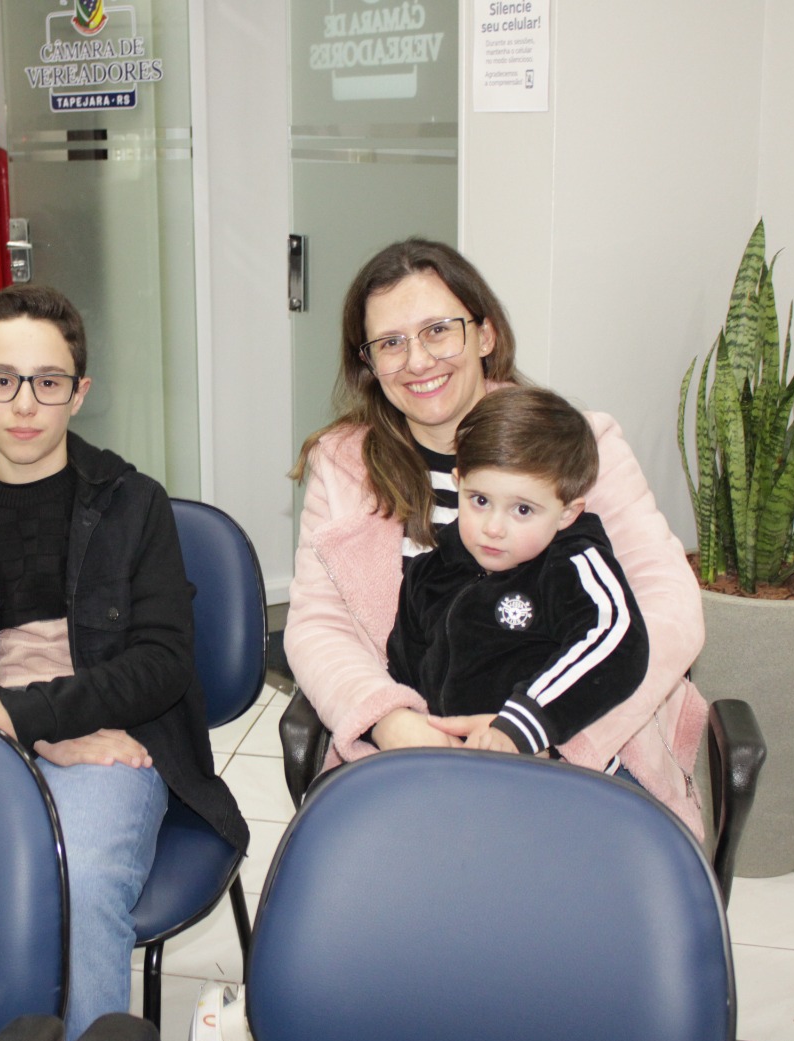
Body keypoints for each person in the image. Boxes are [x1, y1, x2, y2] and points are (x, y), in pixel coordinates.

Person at [0, 284, 248, 1040]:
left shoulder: (133, 504)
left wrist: (29, 717)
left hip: (115, 737)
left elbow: (161, 662)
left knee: (72, 881)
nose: (25, 404)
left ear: (79, 393)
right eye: (3, 380)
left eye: (48, 382)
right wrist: (36, 731)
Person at [285, 237, 707, 830]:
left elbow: (669, 610)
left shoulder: (577, 447)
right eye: (391, 343)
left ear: (484, 335)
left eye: (438, 331)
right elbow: (317, 626)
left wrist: (535, 728)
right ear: (369, 364)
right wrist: (393, 722)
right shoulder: (341, 465)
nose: (417, 361)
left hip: (579, 749)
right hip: (414, 751)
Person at [386, 386, 649, 757]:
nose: (493, 528)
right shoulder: (429, 574)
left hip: (543, 767)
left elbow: (617, 641)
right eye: (480, 500)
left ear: (567, 513)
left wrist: (520, 728)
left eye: (522, 510)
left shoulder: (571, 566)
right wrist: (403, 725)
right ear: (459, 483)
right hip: (442, 763)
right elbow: (402, 671)